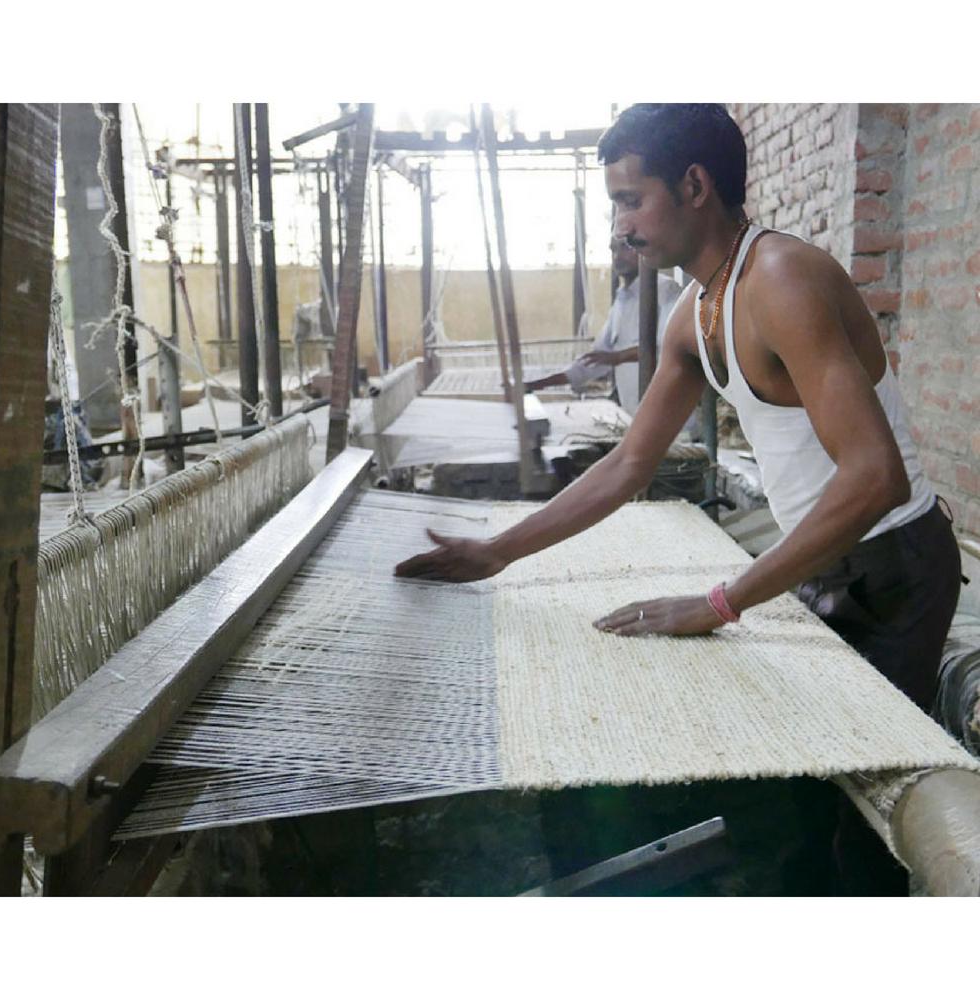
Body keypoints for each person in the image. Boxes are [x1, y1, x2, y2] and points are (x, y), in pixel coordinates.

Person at [395, 104, 961, 892]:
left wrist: (720, 602)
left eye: (631, 200)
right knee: (800, 793)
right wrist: (499, 551)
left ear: (694, 185)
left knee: (862, 812)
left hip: (894, 567)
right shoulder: (695, 314)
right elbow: (629, 463)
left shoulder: (782, 280)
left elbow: (874, 479)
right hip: (827, 563)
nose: (623, 227)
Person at [524, 238, 684, 417]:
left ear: (643, 249)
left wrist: (618, 357)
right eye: (613, 250)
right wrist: (533, 385)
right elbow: (595, 361)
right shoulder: (621, 302)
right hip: (636, 417)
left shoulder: (666, 291)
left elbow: (671, 347)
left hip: (674, 421)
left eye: (625, 247)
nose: (617, 256)